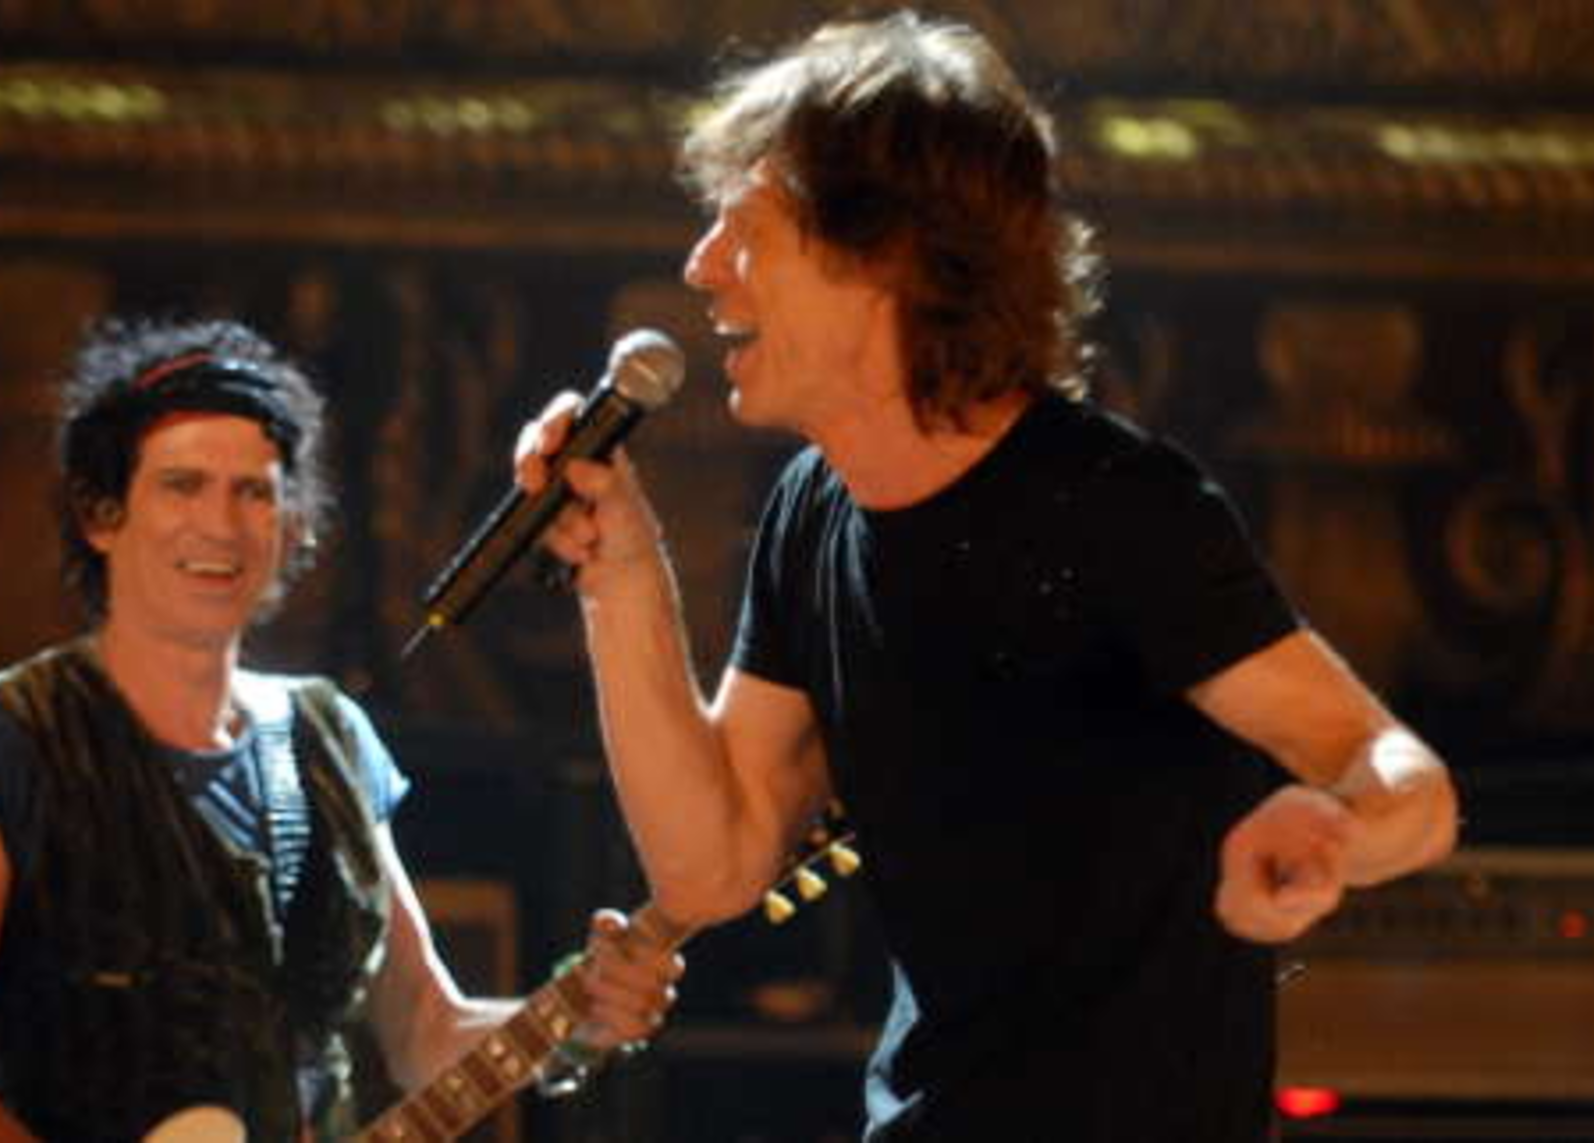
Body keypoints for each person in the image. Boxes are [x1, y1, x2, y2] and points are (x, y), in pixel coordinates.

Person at [514, 13, 1459, 1142]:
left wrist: (1335, 831)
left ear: (884, 255)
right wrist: (621, 572)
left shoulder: (1113, 506)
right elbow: (714, 864)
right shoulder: (814, 510)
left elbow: (1407, 782)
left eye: (746, 228)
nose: (702, 268)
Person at [0, 317, 682, 1143]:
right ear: (100, 516)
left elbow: (426, 1030)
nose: (221, 524)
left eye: (254, 492)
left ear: (293, 526)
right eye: (183, 485)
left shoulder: (331, 737)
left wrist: (576, 1020)